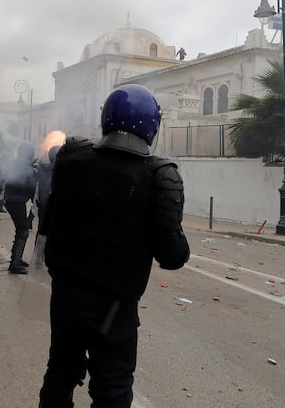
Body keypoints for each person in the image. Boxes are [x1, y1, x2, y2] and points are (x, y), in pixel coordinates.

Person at [38, 84, 190, 407]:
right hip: (114, 309)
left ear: (106, 117)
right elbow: (173, 255)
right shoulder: (159, 175)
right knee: (112, 392)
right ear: (152, 126)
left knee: (60, 374)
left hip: (65, 297)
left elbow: (48, 223)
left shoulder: (72, 157)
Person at [3, 142, 38, 274]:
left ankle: (16, 258)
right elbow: (29, 186)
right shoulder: (25, 167)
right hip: (16, 202)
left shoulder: (15, 163)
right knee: (23, 231)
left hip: (12, 200)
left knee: (20, 230)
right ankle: (15, 263)